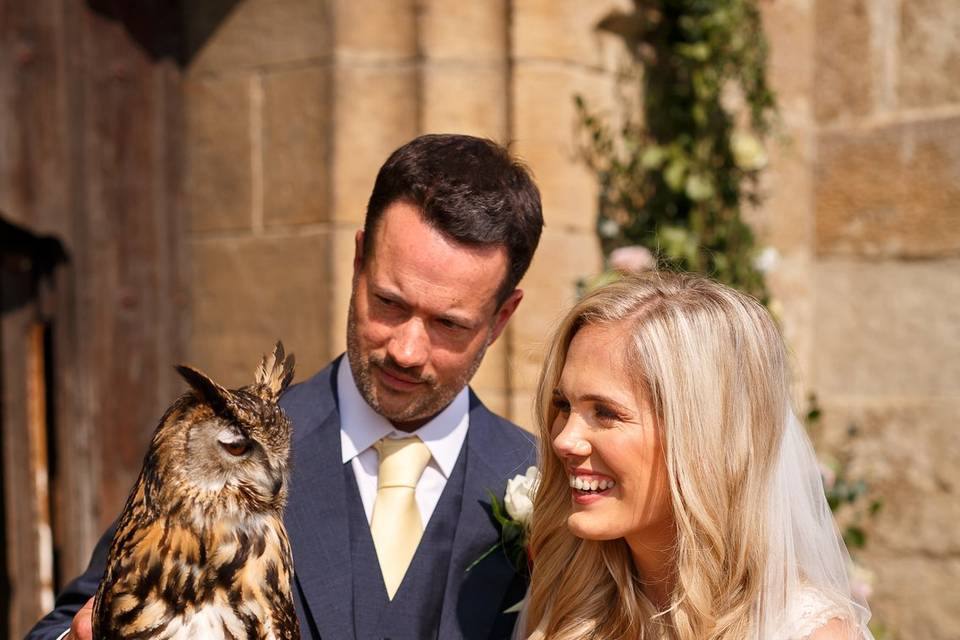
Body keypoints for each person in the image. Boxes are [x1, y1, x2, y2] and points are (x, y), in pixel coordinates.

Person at [28, 134, 543, 640]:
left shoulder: (548, 485)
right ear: (359, 261)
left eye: (448, 325)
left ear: (501, 317)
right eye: (389, 302)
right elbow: (73, 620)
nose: (406, 350)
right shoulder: (226, 449)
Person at [519, 273, 873, 640]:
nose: (564, 439)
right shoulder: (568, 605)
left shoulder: (803, 632)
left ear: (699, 435)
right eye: (563, 405)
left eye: (605, 413)